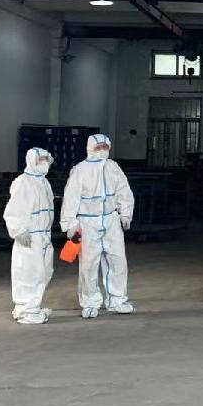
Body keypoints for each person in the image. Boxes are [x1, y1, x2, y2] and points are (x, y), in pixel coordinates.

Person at [60, 133, 136, 318]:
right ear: (90, 148)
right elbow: (70, 198)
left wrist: (126, 213)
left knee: (117, 260)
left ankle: (117, 300)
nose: (102, 150)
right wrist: (70, 223)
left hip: (111, 220)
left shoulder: (113, 168)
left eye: (105, 147)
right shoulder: (80, 170)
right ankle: (90, 302)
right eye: (98, 147)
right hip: (88, 222)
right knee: (89, 264)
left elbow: (124, 191)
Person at [3, 147, 56, 324]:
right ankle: (27, 310)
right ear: (32, 161)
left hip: (44, 236)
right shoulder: (23, 182)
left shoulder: (44, 182)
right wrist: (19, 231)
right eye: (41, 160)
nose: (44, 163)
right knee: (29, 273)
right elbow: (14, 209)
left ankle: (32, 307)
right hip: (30, 236)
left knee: (44, 272)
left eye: (46, 159)